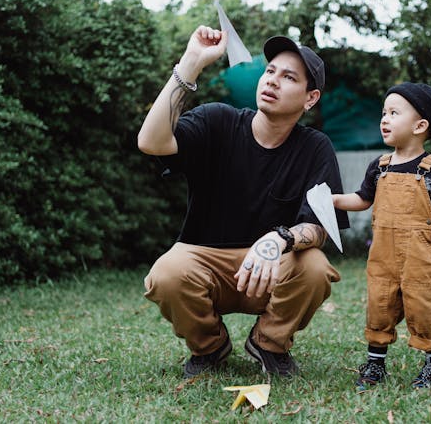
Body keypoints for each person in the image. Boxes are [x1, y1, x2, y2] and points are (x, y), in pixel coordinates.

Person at [138, 25, 349, 379]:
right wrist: (192, 61)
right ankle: (209, 347)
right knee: (166, 273)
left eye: (288, 77)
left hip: (270, 267)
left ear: (310, 98)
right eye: (269, 71)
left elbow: (319, 227)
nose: (272, 81)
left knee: (314, 267)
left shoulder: (315, 147)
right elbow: (152, 141)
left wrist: (279, 238)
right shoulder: (217, 121)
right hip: (204, 261)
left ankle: (269, 344)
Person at [332, 82, 431, 389]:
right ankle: (375, 364)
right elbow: (362, 199)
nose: (384, 119)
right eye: (384, 112)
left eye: (394, 113)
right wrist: (333, 200)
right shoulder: (379, 166)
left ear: (420, 125)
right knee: (379, 305)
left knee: (427, 305)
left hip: (420, 258)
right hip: (382, 256)